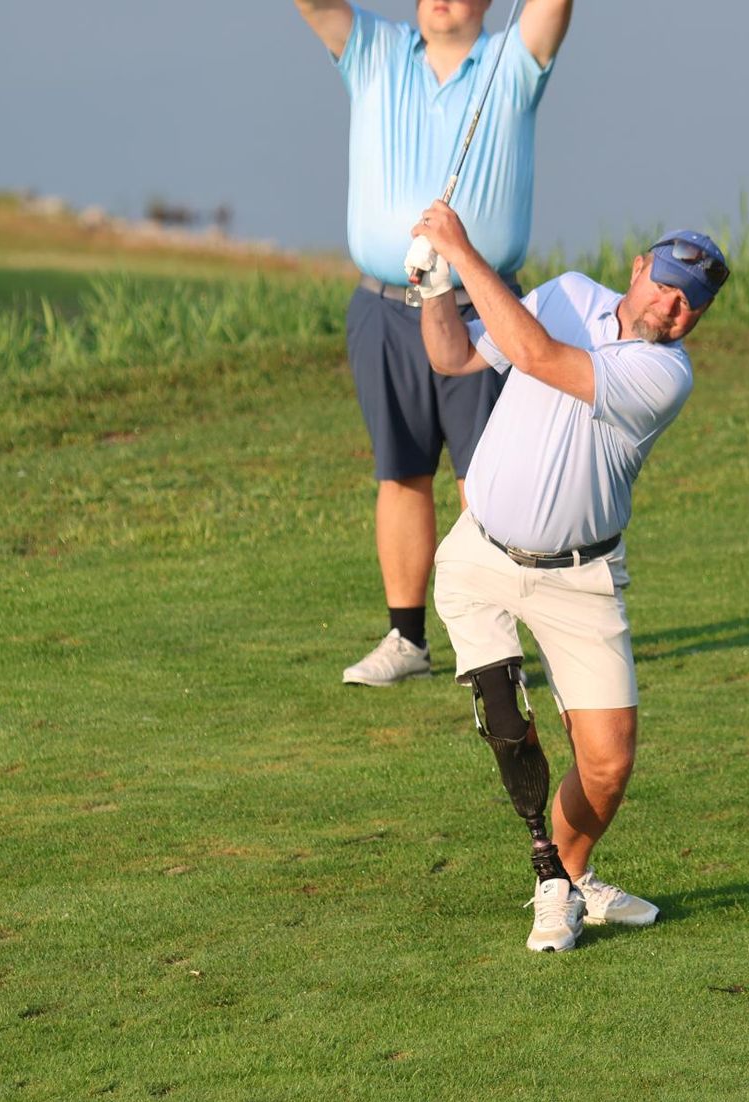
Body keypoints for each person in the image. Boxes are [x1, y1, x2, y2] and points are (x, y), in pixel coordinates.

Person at [410, 199, 729, 953]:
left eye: (692, 302)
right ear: (638, 269)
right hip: (480, 557)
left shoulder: (664, 374)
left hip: (581, 577)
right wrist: (434, 290)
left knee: (610, 762)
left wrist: (459, 245)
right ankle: (552, 879)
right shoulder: (567, 293)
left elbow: (539, 357)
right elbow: (455, 357)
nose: (672, 306)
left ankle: (573, 878)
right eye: (667, 285)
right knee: (507, 720)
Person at [291, 0, 574, 685]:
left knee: (487, 483)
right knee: (401, 472)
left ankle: (494, 647)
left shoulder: (513, 59)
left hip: (484, 307)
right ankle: (407, 642)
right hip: (385, 306)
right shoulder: (374, 51)